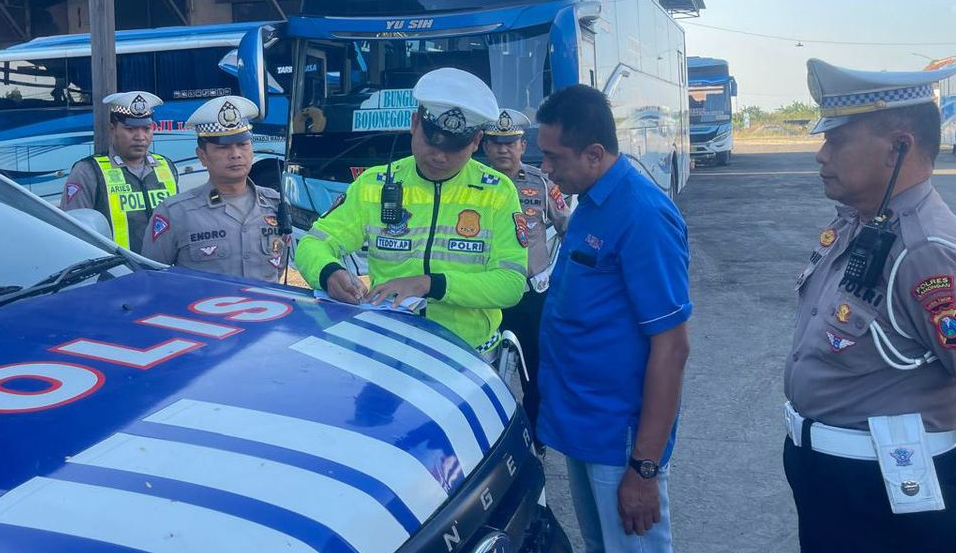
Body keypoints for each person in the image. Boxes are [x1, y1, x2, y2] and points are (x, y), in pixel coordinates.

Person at [784, 58, 956, 553]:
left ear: (898, 145)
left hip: (891, 503)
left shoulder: (926, 249)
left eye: (837, 140)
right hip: (836, 487)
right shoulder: (860, 223)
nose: (822, 155)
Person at [535, 84, 691, 552]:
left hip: (619, 439)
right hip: (584, 426)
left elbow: (673, 346)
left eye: (553, 157)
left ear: (594, 153)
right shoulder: (590, 203)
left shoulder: (642, 215)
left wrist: (643, 468)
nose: (545, 168)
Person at [296, 68, 528, 353]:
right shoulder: (374, 184)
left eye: (456, 147)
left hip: (467, 353)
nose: (440, 156)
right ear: (414, 123)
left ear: (477, 141)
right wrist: (329, 273)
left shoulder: (497, 192)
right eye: (432, 141)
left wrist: (429, 285)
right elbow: (312, 243)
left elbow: (511, 284)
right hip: (389, 347)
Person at [482, 107, 570, 434]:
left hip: (532, 296)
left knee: (536, 372)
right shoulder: (474, 186)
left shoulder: (542, 185)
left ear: (522, 145)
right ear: (484, 147)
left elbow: (567, 230)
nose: (503, 149)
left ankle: (536, 437)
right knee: (486, 371)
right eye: (495, 142)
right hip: (487, 294)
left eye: (511, 142)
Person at [141, 96, 287, 281]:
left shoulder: (276, 204)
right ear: (202, 156)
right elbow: (150, 277)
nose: (235, 155)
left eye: (242, 145)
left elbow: (278, 267)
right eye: (223, 147)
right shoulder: (175, 213)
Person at [61, 90, 178, 252]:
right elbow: (74, 233)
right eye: (130, 129)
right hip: (117, 272)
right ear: (112, 130)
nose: (140, 136)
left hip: (164, 271)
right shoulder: (88, 171)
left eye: (147, 128)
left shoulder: (166, 166)